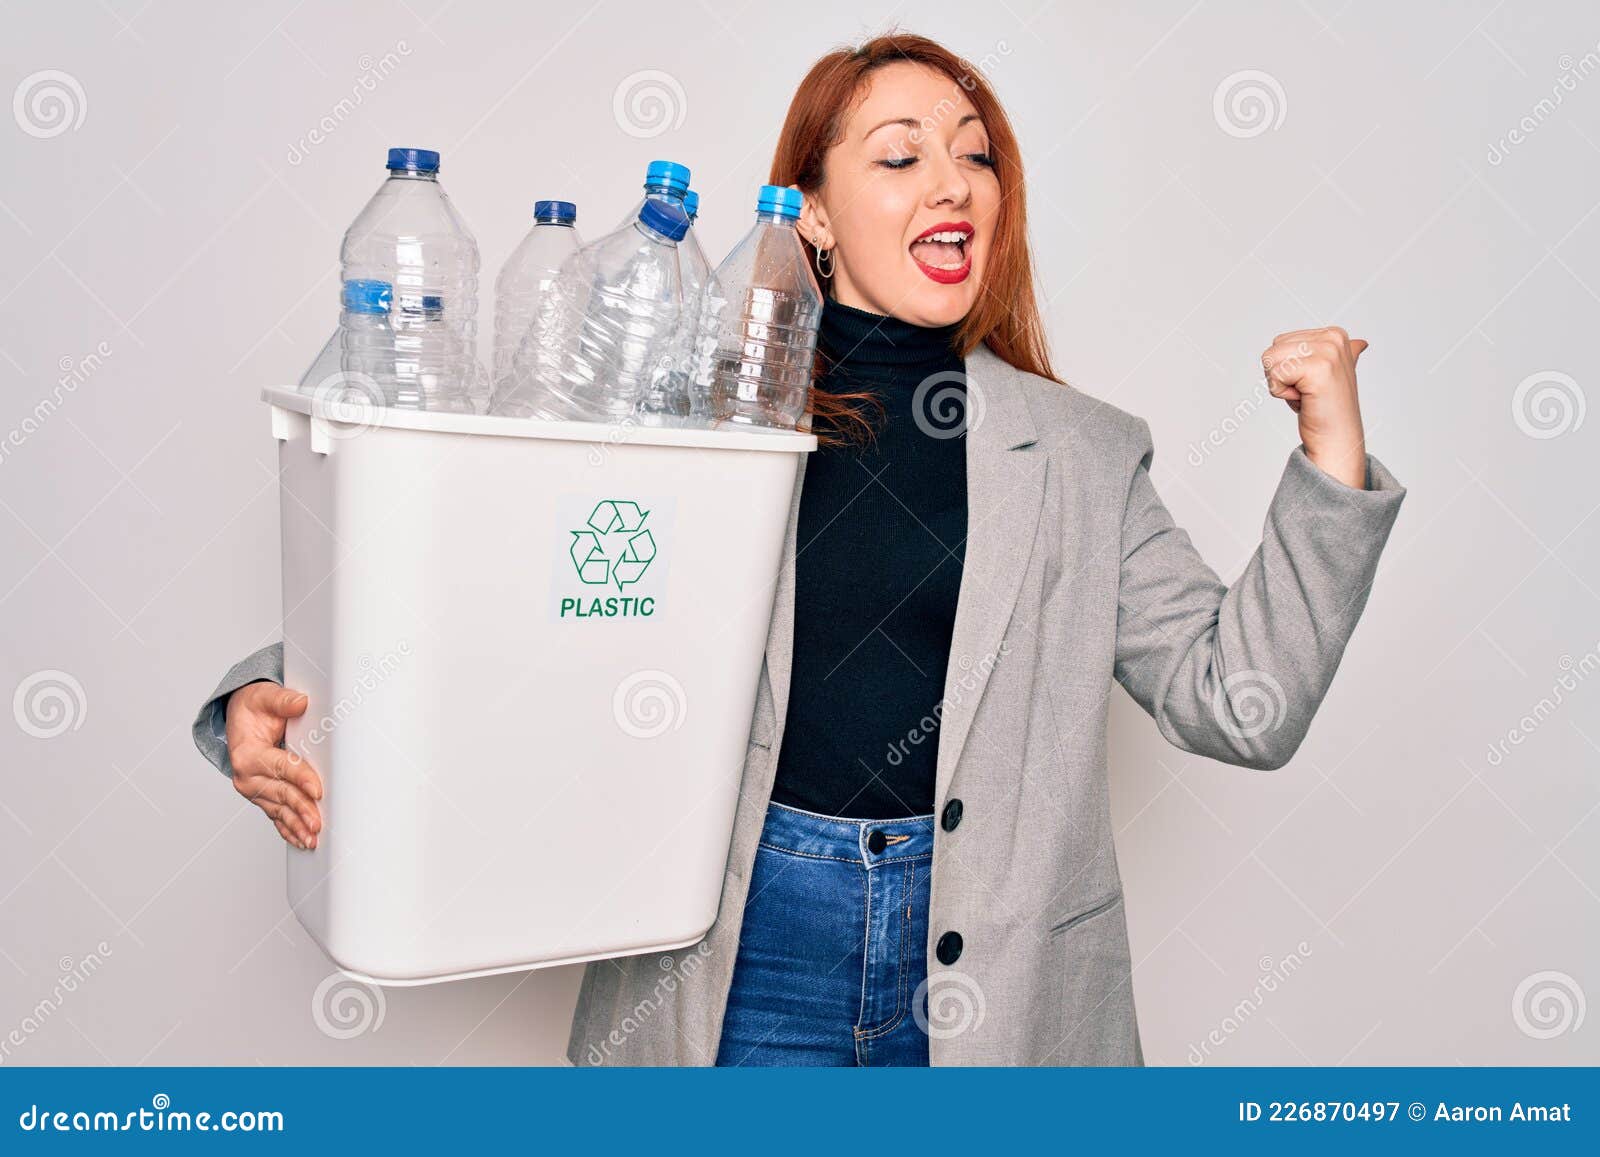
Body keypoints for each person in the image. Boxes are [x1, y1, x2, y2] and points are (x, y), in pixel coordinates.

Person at [192, 32, 1407, 1067]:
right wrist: (267, 694)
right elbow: (491, 585)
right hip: (740, 940)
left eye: (977, 153)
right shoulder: (691, 414)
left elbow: (1238, 705)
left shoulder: (1085, 454)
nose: (956, 182)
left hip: (1001, 982)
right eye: (902, 154)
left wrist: (1329, 458)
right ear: (811, 214)